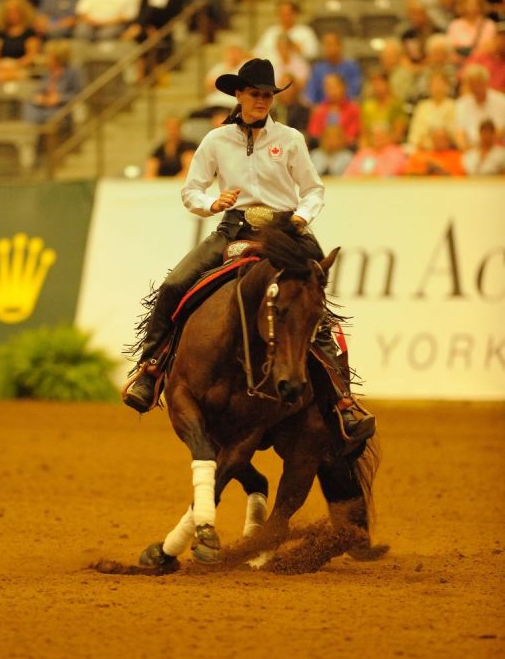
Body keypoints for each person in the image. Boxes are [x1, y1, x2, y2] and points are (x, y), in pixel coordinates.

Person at [123, 57, 376, 450]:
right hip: (233, 227)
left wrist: (299, 220)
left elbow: (314, 191)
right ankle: (150, 370)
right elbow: (191, 191)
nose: (261, 101)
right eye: (255, 94)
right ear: (238, 95)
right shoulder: (215, 141)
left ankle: (344, 401)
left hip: (286, 230)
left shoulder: (290, 139)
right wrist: (212, 203)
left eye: (266, 95)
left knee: (315, 306)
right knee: (174, 284)